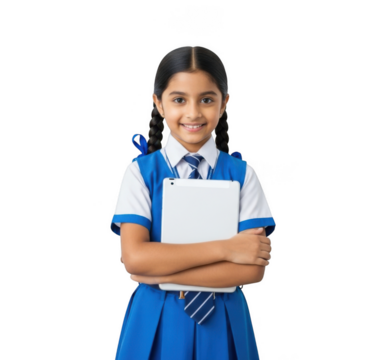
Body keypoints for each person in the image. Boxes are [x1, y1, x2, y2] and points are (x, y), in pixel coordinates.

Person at [110, 46, 276, 360]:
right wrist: (227, 250)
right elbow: (135, 258)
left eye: (207, 99)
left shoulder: (243, 175)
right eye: (179, 99)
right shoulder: (140, 174)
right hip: (155, 320)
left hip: (224, 321)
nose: (193, 113)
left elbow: (252, 270)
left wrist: (157, 273)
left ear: (225, 103)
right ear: (158, 103)